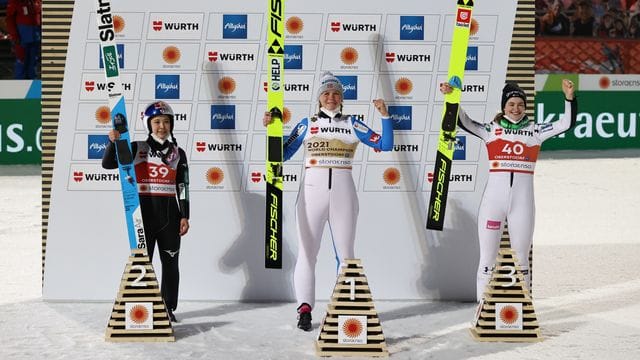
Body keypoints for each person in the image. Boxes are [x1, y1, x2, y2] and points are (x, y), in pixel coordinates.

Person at [263, 72, 394, 331]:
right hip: (312, 192)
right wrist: (271, 129)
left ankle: (342, 307)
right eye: (326, 93)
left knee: (346, 256)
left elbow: (386, 144)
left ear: (341, 98)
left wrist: (385, 115)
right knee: (307, 253)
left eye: (335, 93)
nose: (331, 97)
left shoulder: (353, 123)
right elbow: (280, 156)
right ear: (319, 97)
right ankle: (304, 309)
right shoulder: (307, 123)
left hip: (343, 192)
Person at [440, 79, 577, 301]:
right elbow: (462, 121)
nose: (516, 108)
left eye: (520, 104)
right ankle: (481, 309)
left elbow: (565, 123)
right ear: (504, 107)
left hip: (522, 205)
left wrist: (569, 97)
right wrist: (451, 96)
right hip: (493, 205)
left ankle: (525, 308)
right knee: (487, 260)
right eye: (511, 104)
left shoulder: (536, 131)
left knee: (522, 258)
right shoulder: (490, 130)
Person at [102, 101, 190, 322]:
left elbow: (183, 186)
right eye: (157, 121)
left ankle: (168, 308)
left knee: (171, 265)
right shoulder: (136, 147)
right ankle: (142, 307)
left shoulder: (178, 153)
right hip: (143, 217)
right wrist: (113, 142)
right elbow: (108, 164)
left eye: (166, 122)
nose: (162, 126)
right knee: (142, 263)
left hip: (170, 217)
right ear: (149, 123)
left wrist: (185, 215)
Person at [5, 0, 41, 79]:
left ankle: (32, 88)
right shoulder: (15, 2)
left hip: (35, 37)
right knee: (21, 62)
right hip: (21, 38)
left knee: (33, 63)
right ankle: (19, 88)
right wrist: (14, 36)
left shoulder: (37, 2)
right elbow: (9, 19)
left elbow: (40, 17)